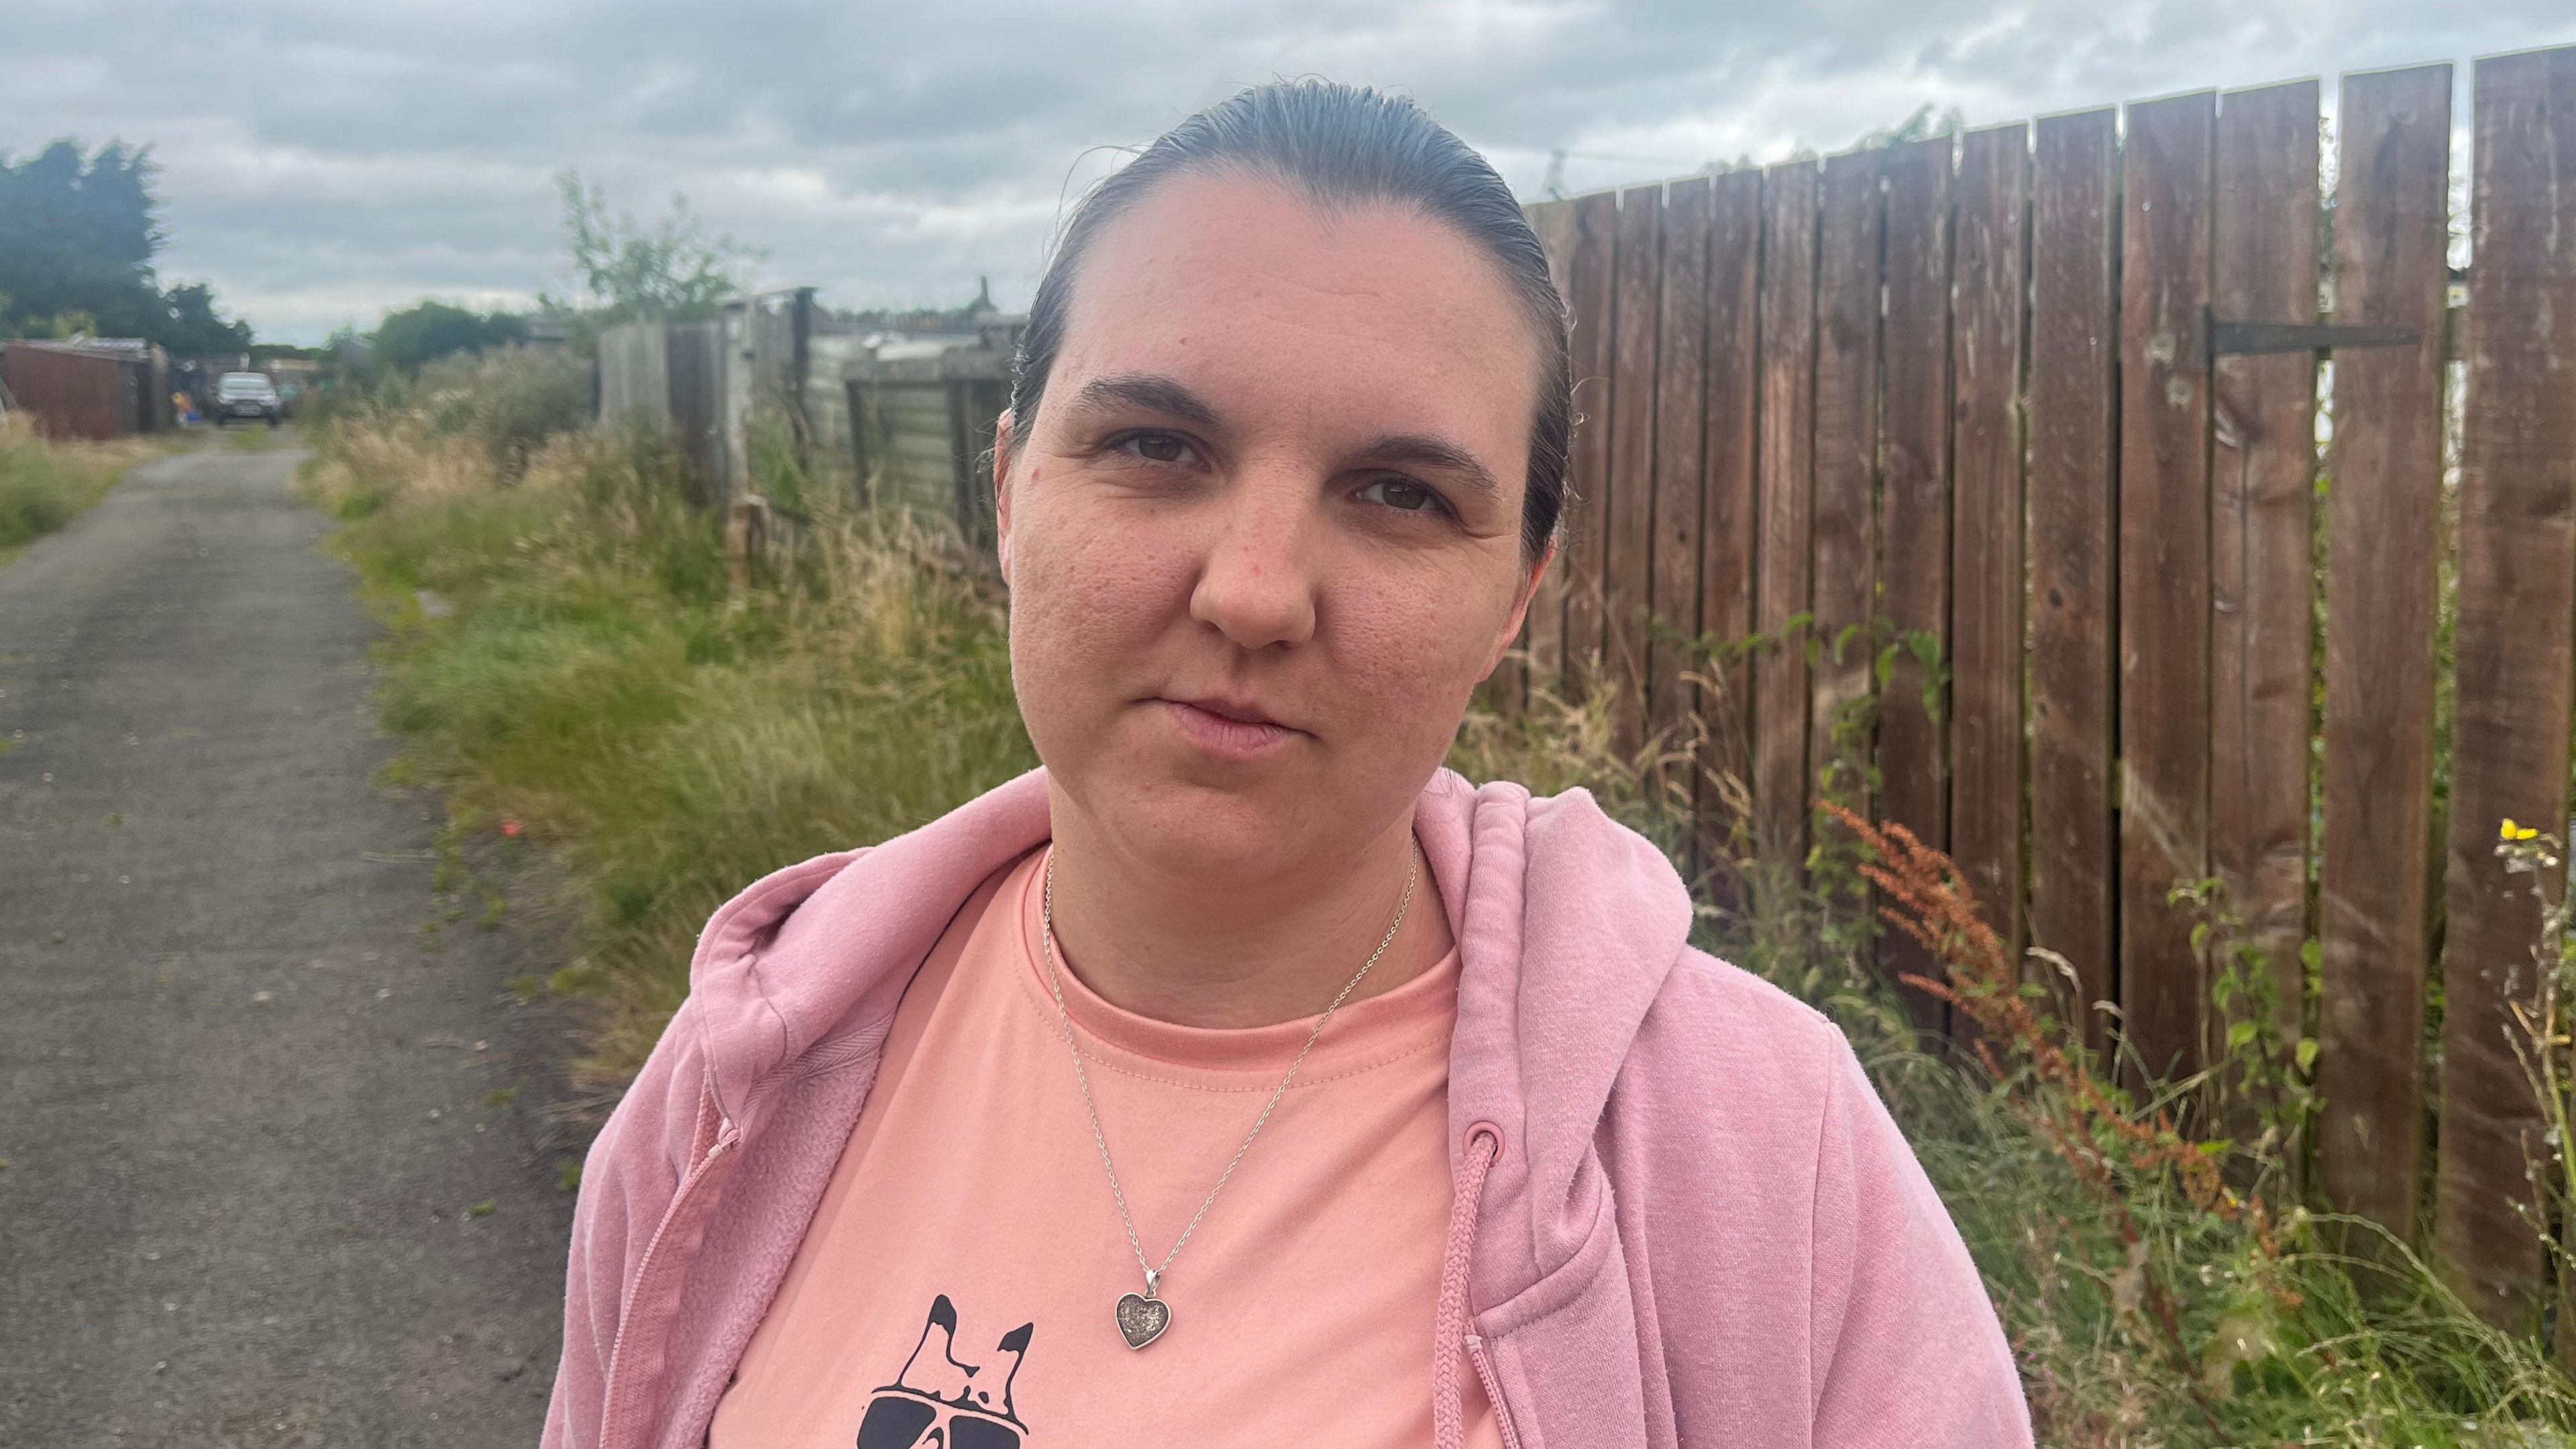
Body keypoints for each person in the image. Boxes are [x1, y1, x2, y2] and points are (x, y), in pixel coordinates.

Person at [543, 80, 2031, 1449]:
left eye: (1398, 492)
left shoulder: (1766, 1156)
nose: (1254, 591)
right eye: (1153, 446)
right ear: (1009, 498)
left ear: (1515, 596)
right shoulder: (741, 1079)